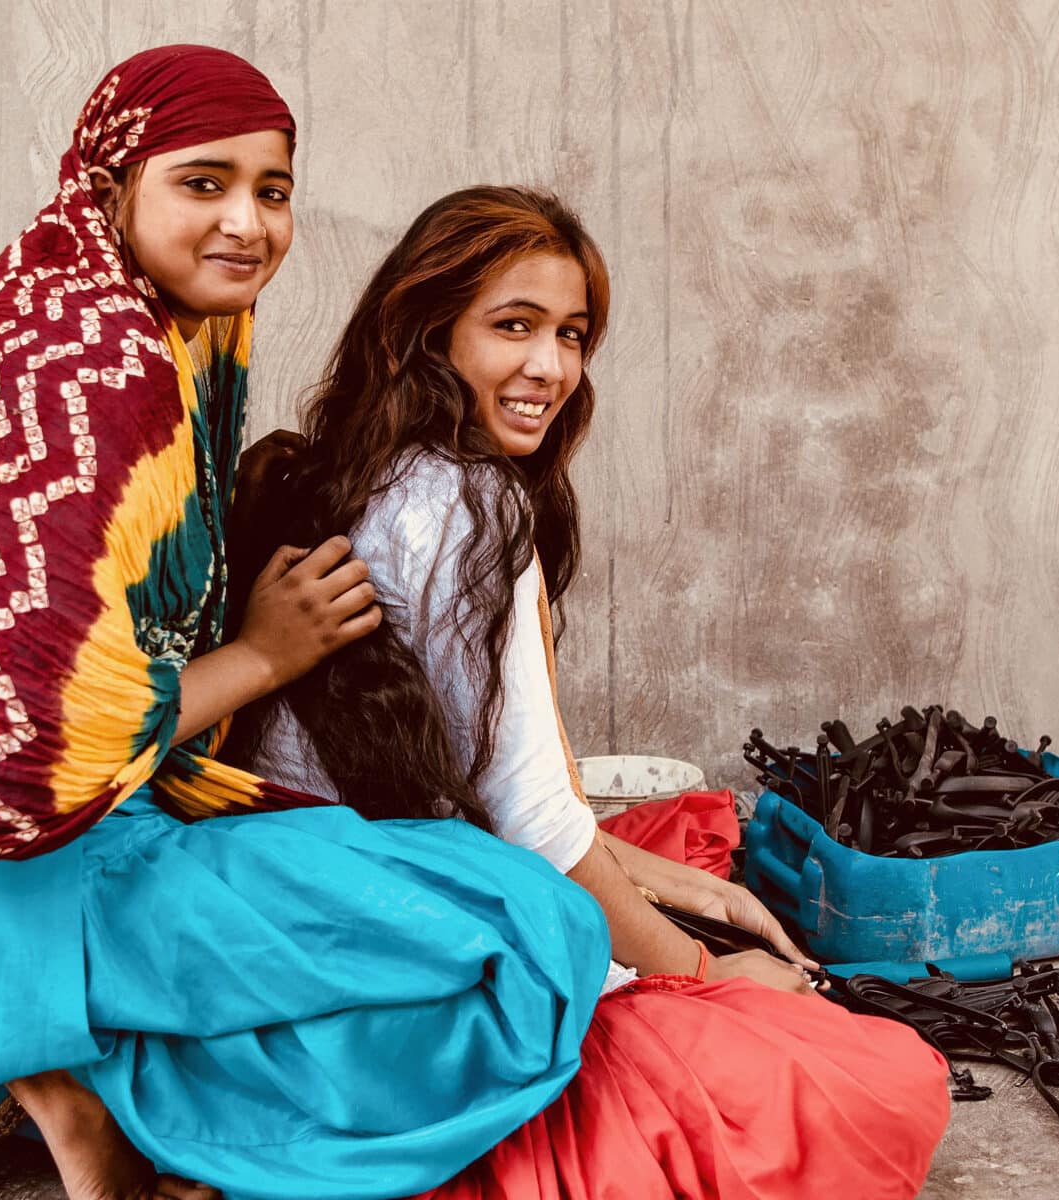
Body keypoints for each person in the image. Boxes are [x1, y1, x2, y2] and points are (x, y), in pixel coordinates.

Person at [0, 49, 623, 1200]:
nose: (247, 222)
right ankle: (79, 1078)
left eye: (273, 188)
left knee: (494, 908)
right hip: (34, 848)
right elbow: (18, 746)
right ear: (109, 192)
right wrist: (261, 655)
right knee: (531, 935)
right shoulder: (92, 377)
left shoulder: (134, 331)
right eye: (203, 183)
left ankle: (67, 1062)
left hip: (76, 813)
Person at [236, 185, 952, 1198]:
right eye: (513, 328)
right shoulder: (476, 505)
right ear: (424, 333)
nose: (550, 369)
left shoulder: (343, 474)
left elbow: (451, 783)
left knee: (691, 856)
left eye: (571, 336)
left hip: (308, 928)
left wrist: (683, 888)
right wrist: (702, 980)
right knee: (873, 1086)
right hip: (404, 953)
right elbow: (528, 822)